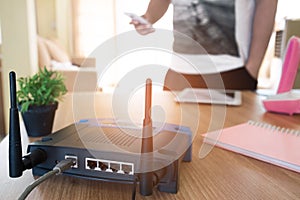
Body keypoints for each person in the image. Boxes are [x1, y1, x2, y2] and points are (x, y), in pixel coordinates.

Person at [131, 0, 278, 90]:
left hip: (231, 70)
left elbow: (267, 2)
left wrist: (253, 67)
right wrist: (149, 17)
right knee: (176, 138)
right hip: (178, 72)